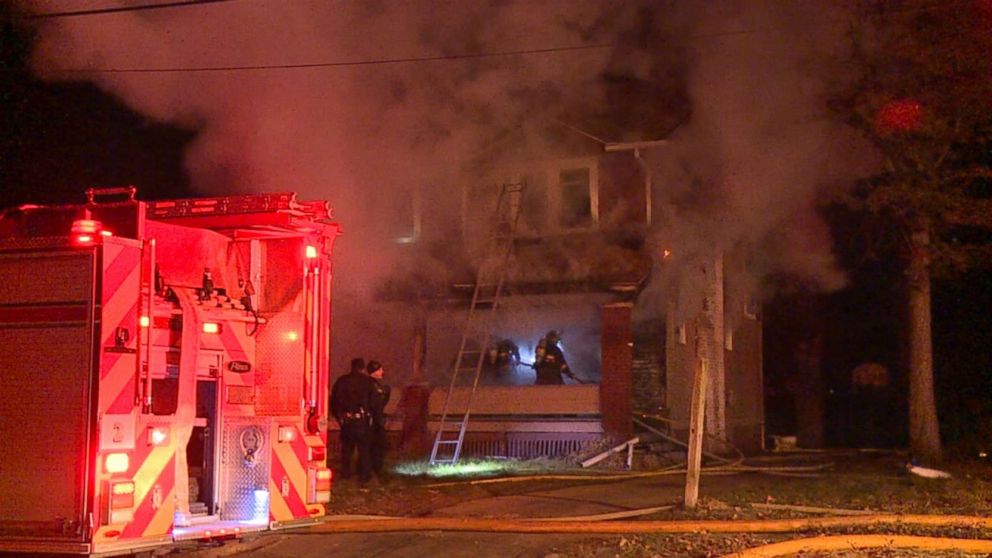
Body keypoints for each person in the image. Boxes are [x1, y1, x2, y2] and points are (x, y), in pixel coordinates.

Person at [330, 357, 375, 485]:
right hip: (362, 421)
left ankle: (346, 474)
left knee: (347, 450)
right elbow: (374, 403)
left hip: (347, 421)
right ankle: (364, 476)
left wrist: (340, 418)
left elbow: (334, 402)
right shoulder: (368, 382)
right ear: (363, 368)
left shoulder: (342, 381)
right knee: (364, 450)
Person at [366, 360, 392, 481]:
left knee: (378, 447)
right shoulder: (371, 385)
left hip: (375, 421)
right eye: (380, 369)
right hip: (373, 422)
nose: (383, 372)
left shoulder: (375, 385)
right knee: (376, 447)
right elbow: (377, 404)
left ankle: (374, 471)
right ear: (375, 371)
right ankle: (373, 472)